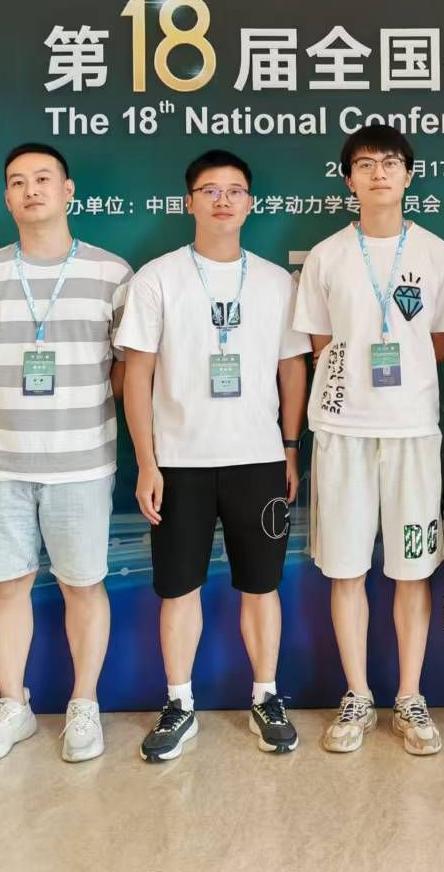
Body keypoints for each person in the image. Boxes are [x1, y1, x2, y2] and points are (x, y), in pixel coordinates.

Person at [118, 150, 310, 761]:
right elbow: (136, 375)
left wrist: (289, 448)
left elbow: (292, 370)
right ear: (189, 202)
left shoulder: (277, 282)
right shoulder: (158, 278)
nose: (223, 200)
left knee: (262, 586)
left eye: (234, 191)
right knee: (179, 589)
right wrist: (147, 462)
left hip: (259, 460)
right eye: (210, 190)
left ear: (250, 203)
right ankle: (179, 703)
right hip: (179, 463)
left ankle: (266, 696)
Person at [0, 143, 133, 765]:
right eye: (18, 181)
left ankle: (84, 704)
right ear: (6, 197)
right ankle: (13, 706)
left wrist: (76, 402)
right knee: (7, 588)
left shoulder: (113, 274)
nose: (31, 190)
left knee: (85, 585)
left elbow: (127, 366)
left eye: (44, 179)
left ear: (68, 190)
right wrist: (11, 406)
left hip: (83, 461)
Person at [293, 124, 444, 755]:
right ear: (349, 180)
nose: (379, 173)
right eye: (366, 164)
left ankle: (410, 696)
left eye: (391, 163)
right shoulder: (327, 255)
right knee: (346, 569)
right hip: (343, 431)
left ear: (409, 175)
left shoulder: (437, 253)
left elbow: (438, 344)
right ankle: (359, 694)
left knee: (413, 571)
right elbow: (320, 345)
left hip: (413, 431)